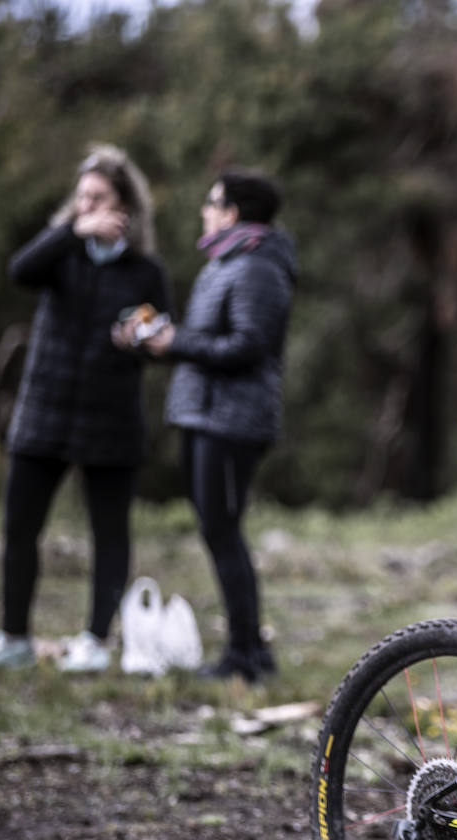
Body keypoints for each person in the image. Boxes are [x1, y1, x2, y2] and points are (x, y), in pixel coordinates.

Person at [0, 143, 171, 673]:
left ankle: (95, 641)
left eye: (99, 198)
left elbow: (160, 333)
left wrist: (142, 338)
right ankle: (13, 636)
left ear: (124, 206)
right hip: (45, 414)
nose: (88, 207)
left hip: (110, 420)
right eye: (81, 198)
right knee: (19, 527)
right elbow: (19, 270)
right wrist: (71, 232)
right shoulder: (60, 254)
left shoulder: (144, 271)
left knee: (109, 534)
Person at [131, 169, 296, 683]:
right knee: (218, 530)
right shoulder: (226, 262)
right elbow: (211, 339)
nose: (203, 209)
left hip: (232, 421)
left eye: (211, 202)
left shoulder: (256, 268)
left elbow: (248, 346)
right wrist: (160, 340)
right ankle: (248, 650)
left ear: (232, 212)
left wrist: (174, 343)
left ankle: (246, 656)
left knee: (223, 531)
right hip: (206, 413)